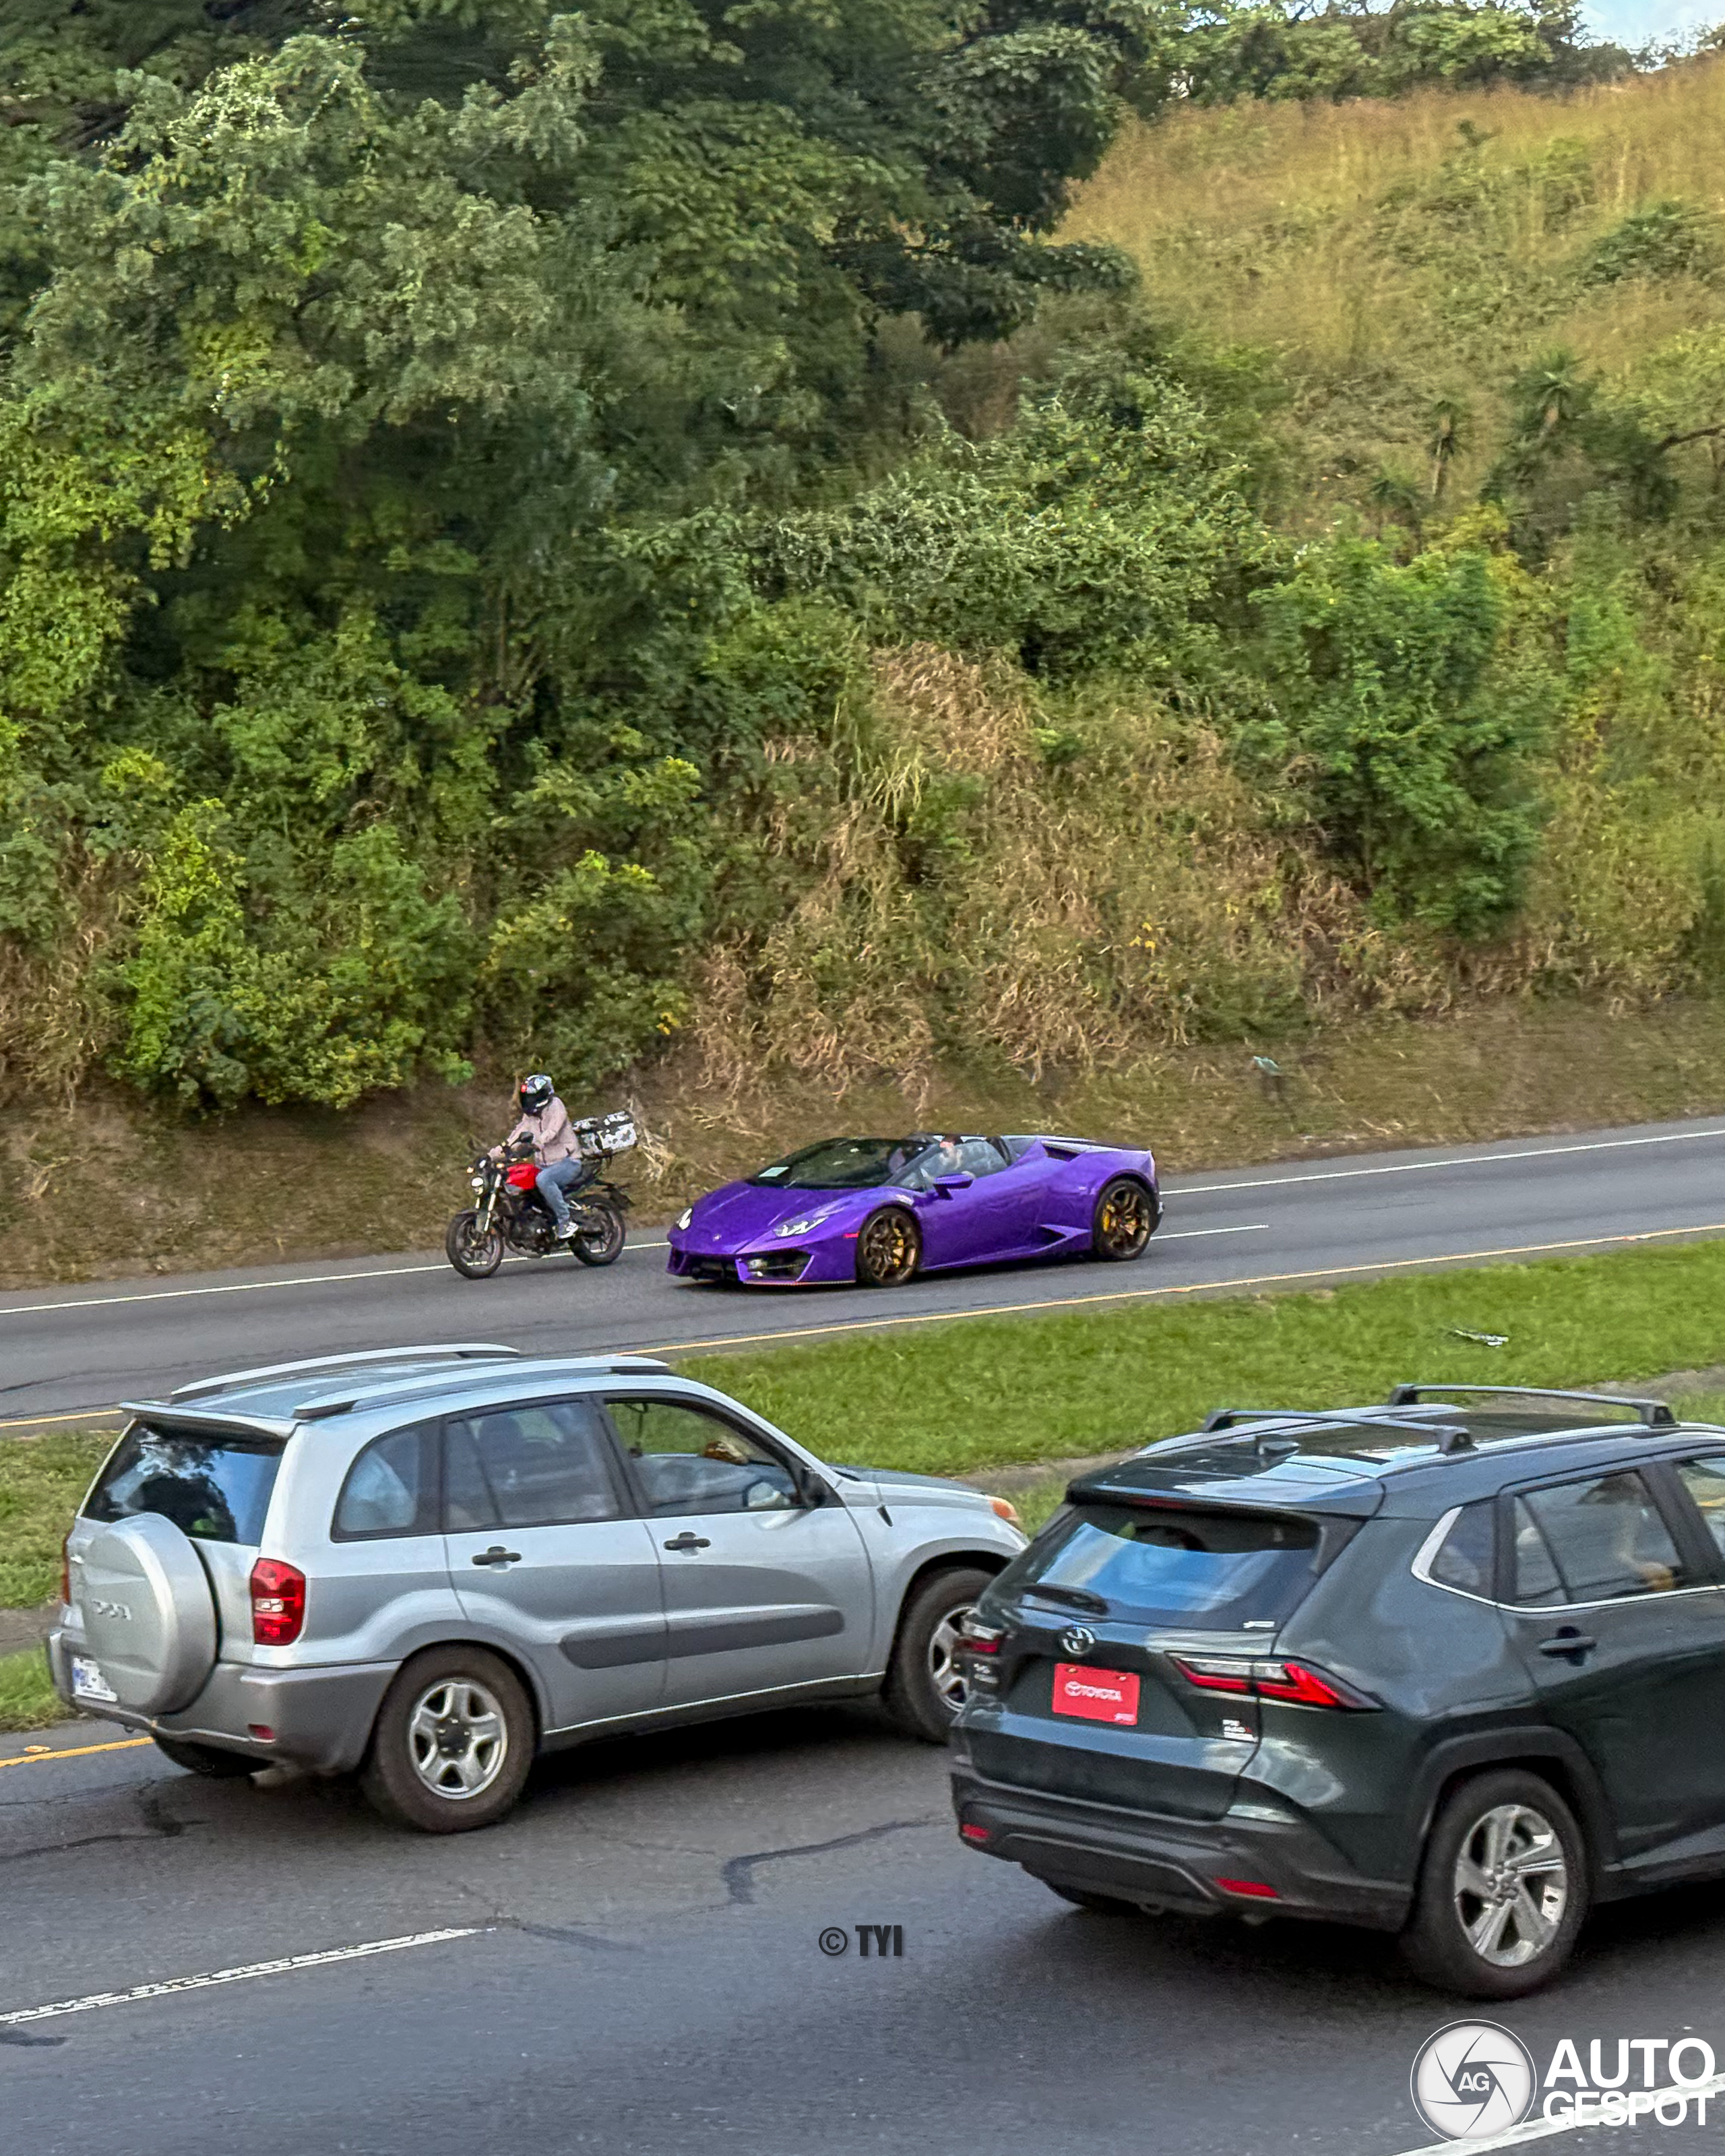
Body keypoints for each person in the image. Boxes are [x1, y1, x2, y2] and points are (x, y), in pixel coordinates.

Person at [494, 1074, 593, 1240]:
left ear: (543, 1094)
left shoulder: (556, 1106)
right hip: (544, 1165)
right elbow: (516, 1136)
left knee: (544, 1180)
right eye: (527, 1097)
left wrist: (535, 1144)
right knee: (518, 1178)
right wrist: (493, 1155)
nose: (529, 1100)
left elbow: (552, 1131)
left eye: (532, 1096)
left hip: (568, 1161)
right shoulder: (530, 1116)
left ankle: (566, 1221)